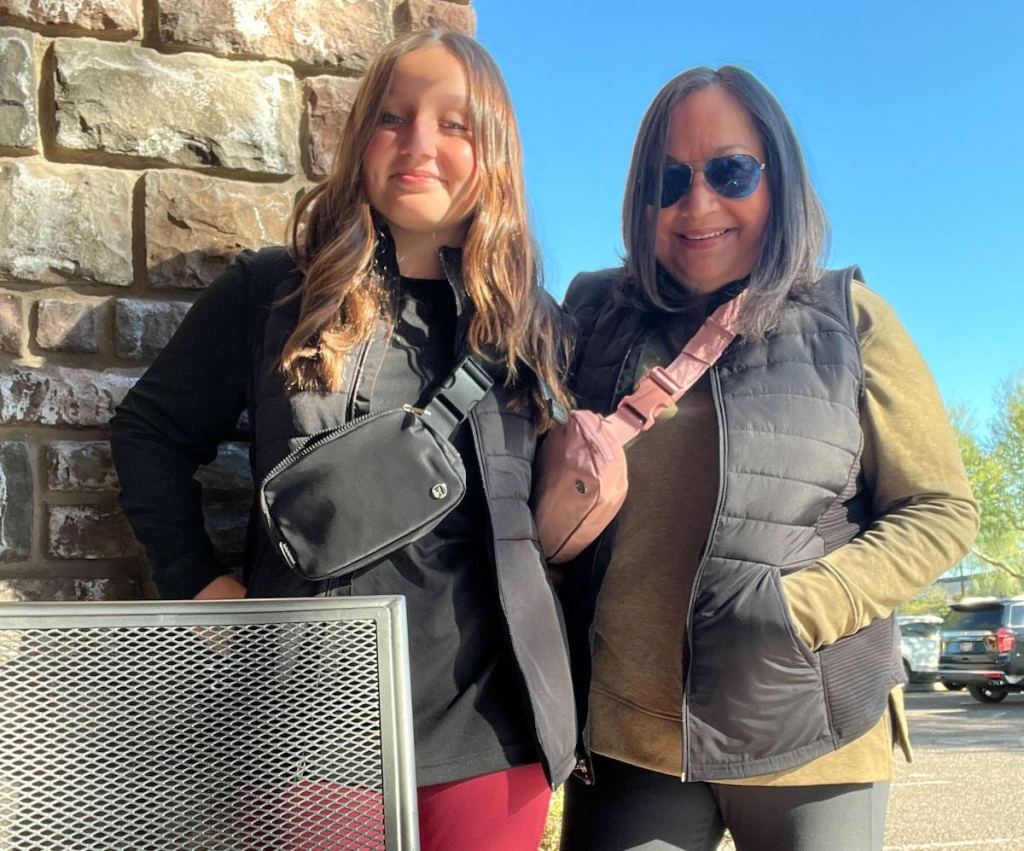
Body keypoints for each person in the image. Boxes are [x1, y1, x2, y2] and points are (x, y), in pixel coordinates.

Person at [110, 29, 577, 851]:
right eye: (393, 119)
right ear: (361, 139)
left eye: (455, 125)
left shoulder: (532, 329)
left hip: (492, 734)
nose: (418, 144)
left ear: (495, 151)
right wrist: (201, 586)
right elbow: (149, 431)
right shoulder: (277, 294)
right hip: (309, 730)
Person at [555, 65, 979, 851]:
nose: (699, 203)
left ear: (777, 179)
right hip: (631, 738)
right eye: (668, 179)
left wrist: (799, 609)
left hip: (811, 733)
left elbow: (941, 508)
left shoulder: (851, 317)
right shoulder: (593, 317)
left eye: (730, 171)